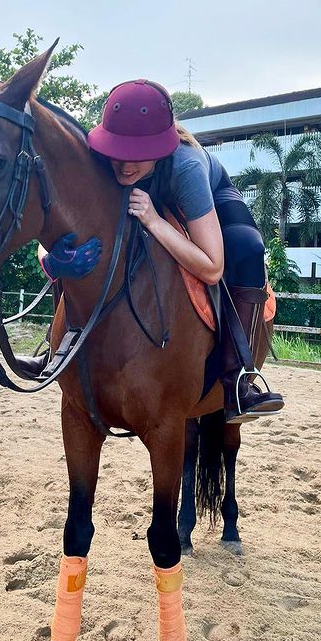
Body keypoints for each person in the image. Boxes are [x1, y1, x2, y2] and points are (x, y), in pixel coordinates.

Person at [25, 80, 284, 423]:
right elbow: (63, 219)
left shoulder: (186, 167)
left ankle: (239, 376)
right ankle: (54, 347)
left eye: (137, 154)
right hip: (145, 199)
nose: (124, 165)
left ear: (160, 149)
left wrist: (154, 221)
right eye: (118, 152)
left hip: (208, 195)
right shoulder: (100, 156)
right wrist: (53, 259)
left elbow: (211, 268)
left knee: (248, 247)